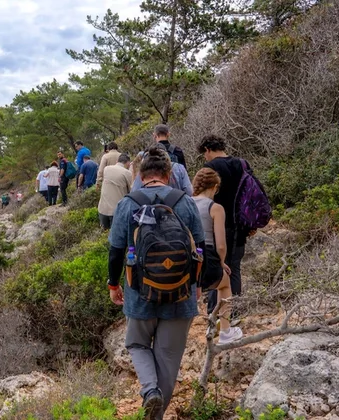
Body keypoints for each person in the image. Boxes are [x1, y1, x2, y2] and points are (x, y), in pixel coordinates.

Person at [107, 145, 205, 419]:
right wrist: (197, 287)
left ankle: (150, 391)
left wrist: (113, 284)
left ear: (139, 173)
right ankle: (157, 413)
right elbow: (200, 248)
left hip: (140, 293)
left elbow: (115, 251)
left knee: (137, 344)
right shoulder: (185, 202)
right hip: (181, 293)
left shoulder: (128, 203)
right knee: (169, 358)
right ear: (168, 173)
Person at [198, 135, 251, 320]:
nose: (205, 158)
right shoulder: (242, 164)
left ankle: (216, 313)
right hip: (240, 225)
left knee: (218, 270)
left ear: (207, 149)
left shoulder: (210, 168)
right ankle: (234, 312)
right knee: (234, 268)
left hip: (218, 224)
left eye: (204, 154)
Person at [192, 168, 244, 344]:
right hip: (207, 256)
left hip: (187, 256)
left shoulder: (186, 203)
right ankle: (226, 331)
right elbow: (220, 244)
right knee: (224, 284)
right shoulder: (215, 208)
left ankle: (210, 325)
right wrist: (221, 263)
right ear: (214, 187)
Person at [98, 153, 133, 229]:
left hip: (103, 209)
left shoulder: (106, 169)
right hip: (117, 211)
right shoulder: (127, 173)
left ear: (117, 161)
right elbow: (132, 191)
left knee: (104, 233)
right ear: (128, 163)